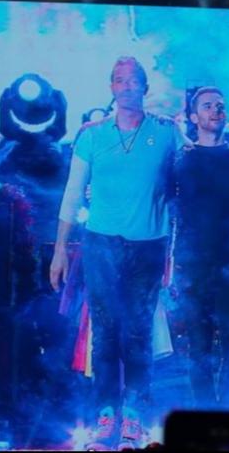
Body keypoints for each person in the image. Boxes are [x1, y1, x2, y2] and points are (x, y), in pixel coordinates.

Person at [50, 56, 187, 434]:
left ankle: (135, 414)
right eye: (119, 80)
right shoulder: (92, 134)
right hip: (101, 245)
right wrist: (60, 250)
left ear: (145, 87)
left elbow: (192, 175)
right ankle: (105, 413)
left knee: (139, 331)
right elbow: (73, 193)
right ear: (111, 87)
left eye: (133, 80)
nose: (126, 86)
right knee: (106, 330)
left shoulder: (167, 131)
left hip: (149, 245)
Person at [172, 86, 229, 407]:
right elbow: (160, 202)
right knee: (198, 347)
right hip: (192, 265)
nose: (216, 110)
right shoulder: (180, 160)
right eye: (207, 106)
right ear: (193, 117)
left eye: (220, 105)